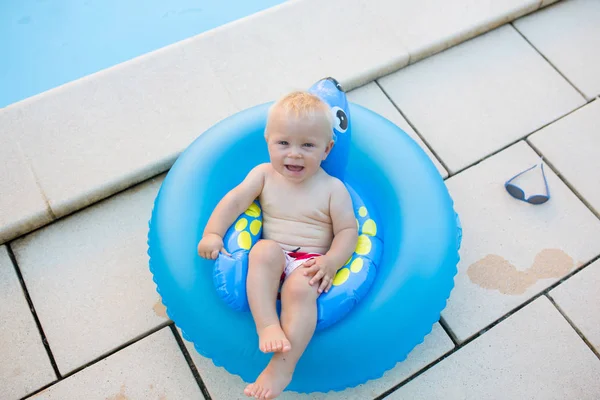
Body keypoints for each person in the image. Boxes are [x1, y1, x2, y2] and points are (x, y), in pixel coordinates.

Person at [197, 91, 358, 399]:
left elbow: (348, 231)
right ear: (268, 140)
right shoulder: (263, 175)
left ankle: (283, 366)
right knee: (263, 251)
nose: (294, 154)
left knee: (299, 289)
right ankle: (267, 325)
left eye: (307, 145)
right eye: (283, 143)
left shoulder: (333, 189)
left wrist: (332, 262)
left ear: (327, 149)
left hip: (309, 261)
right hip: (275, 252)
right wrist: (213, 233)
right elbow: (234, 201)